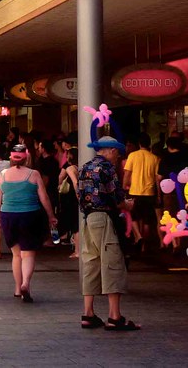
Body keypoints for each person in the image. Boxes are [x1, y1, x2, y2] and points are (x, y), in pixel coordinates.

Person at [79, 135, 140, 331]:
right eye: (117, 154)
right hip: (104, 218)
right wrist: (128, 205)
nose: (118, 157)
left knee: (91, 263)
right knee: (112, 263)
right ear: (111, 151)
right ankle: (114, 316)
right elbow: (116, 198)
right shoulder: (107, 168)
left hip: (88, 219)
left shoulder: (85, 167)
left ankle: (88, 314)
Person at [0, 144, 57, 303]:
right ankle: (26, 283)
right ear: (26, 158)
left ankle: (17, 288)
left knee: (16, 254)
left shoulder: (3, 175)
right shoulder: (34, 174)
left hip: (8, 216)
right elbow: (44, 197)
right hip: (30, 216)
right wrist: (51, 216)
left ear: (11, 159)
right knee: (28, 254)